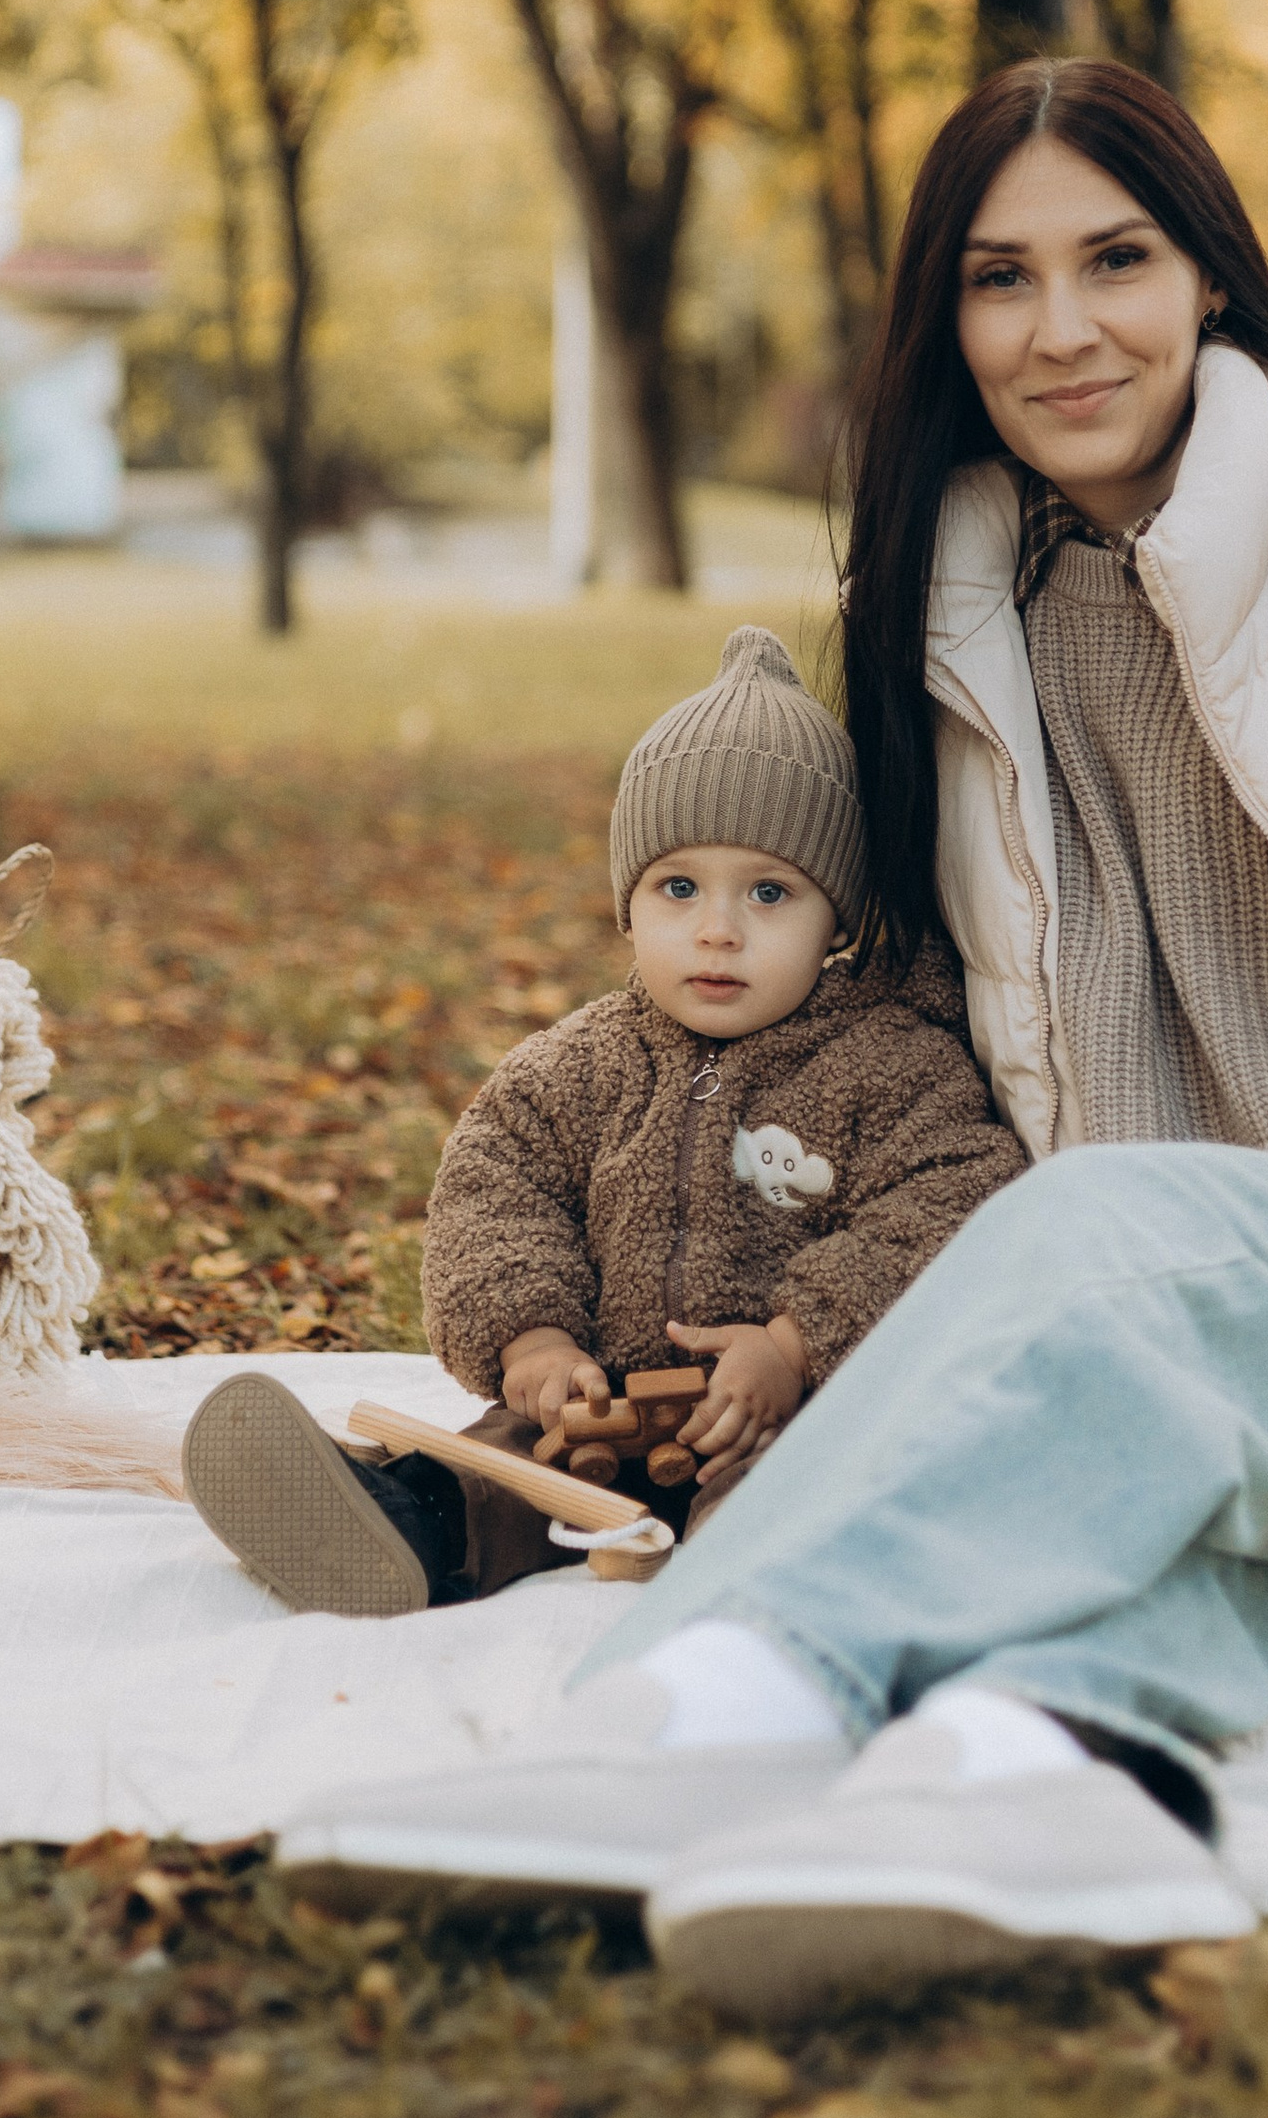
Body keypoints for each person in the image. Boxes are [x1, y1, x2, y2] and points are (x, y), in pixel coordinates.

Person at [271, 61, 1268, 2018]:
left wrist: (1157, 1288)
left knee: (1107, 1262)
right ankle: (1036, 1771)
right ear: (940, 320)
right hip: (1233, 1342)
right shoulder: (946, 618)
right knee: (1118, 1350)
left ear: (1205, 272)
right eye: (996, 276)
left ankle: (700, 1706)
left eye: (1113, 256)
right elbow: (897, 1064)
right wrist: (739, 1339)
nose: (1060, 327)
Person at [182, 625, 1023, 1614]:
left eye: (769, 892)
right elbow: (497, 1191)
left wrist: (795, 1345)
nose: (718, 928)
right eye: (678, 888)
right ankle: (412, 1527)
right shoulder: (572, 1070)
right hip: (592, 1416)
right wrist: (533, 1343)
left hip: (777, 1417)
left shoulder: (887, 1065)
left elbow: (953, 1206)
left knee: (810, 1475)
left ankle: (762, 1577)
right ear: (626, 908)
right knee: (499, 1460)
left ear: (836, 917)